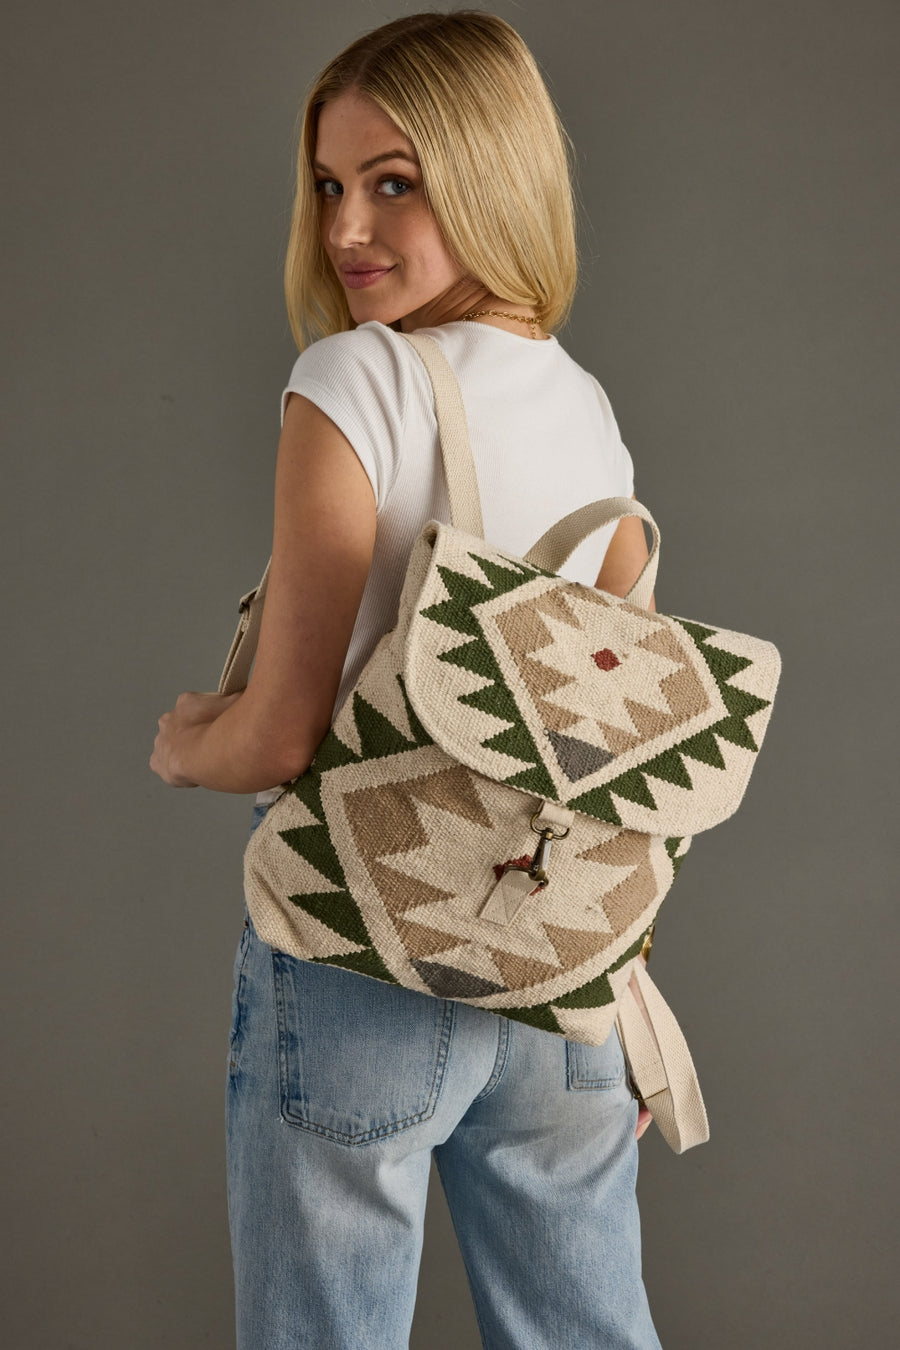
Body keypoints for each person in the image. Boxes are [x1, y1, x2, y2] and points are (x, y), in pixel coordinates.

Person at [151, 11, 662, 1348]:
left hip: (361, 953)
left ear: (489, 178)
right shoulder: (589, 407)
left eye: (395, 183)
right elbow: (615, 757)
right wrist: (631, 991)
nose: (346, 229)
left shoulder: (352, 378)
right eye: (329, 186)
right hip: (564, 983)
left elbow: (279, 738)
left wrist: (185, 737)